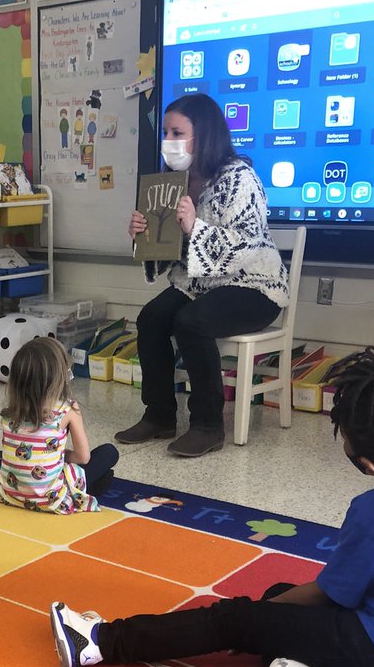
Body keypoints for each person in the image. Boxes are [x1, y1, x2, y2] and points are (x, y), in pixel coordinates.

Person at [52, 348, 374, 667]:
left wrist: (256, 618)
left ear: (368, 463)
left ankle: (98, 641)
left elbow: (329, 595)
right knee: (277, 598)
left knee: (237, 617)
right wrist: (270, 613)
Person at [117, 93, 289, 458]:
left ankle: (208, 425)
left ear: (204, 134)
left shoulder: (240, 178)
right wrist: (143, 234)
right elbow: (169, 253)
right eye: (166, 132)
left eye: (177, 132)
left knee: (191, 321)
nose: (168, 140)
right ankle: (159, 415)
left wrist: (195, 227)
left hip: (254, 285)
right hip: (199, 283)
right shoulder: (173, 182)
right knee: (151, 318)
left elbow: (246, 245)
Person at [0, 336, 118, 514]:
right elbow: (83, 458)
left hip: (10, 494)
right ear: (58, 378)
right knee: (109, 452)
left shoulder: (8, 414)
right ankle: (92, 485)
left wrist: (50, 454)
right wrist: (59, 454)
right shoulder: (67, 409)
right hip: (52, 499)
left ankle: (95, 483)